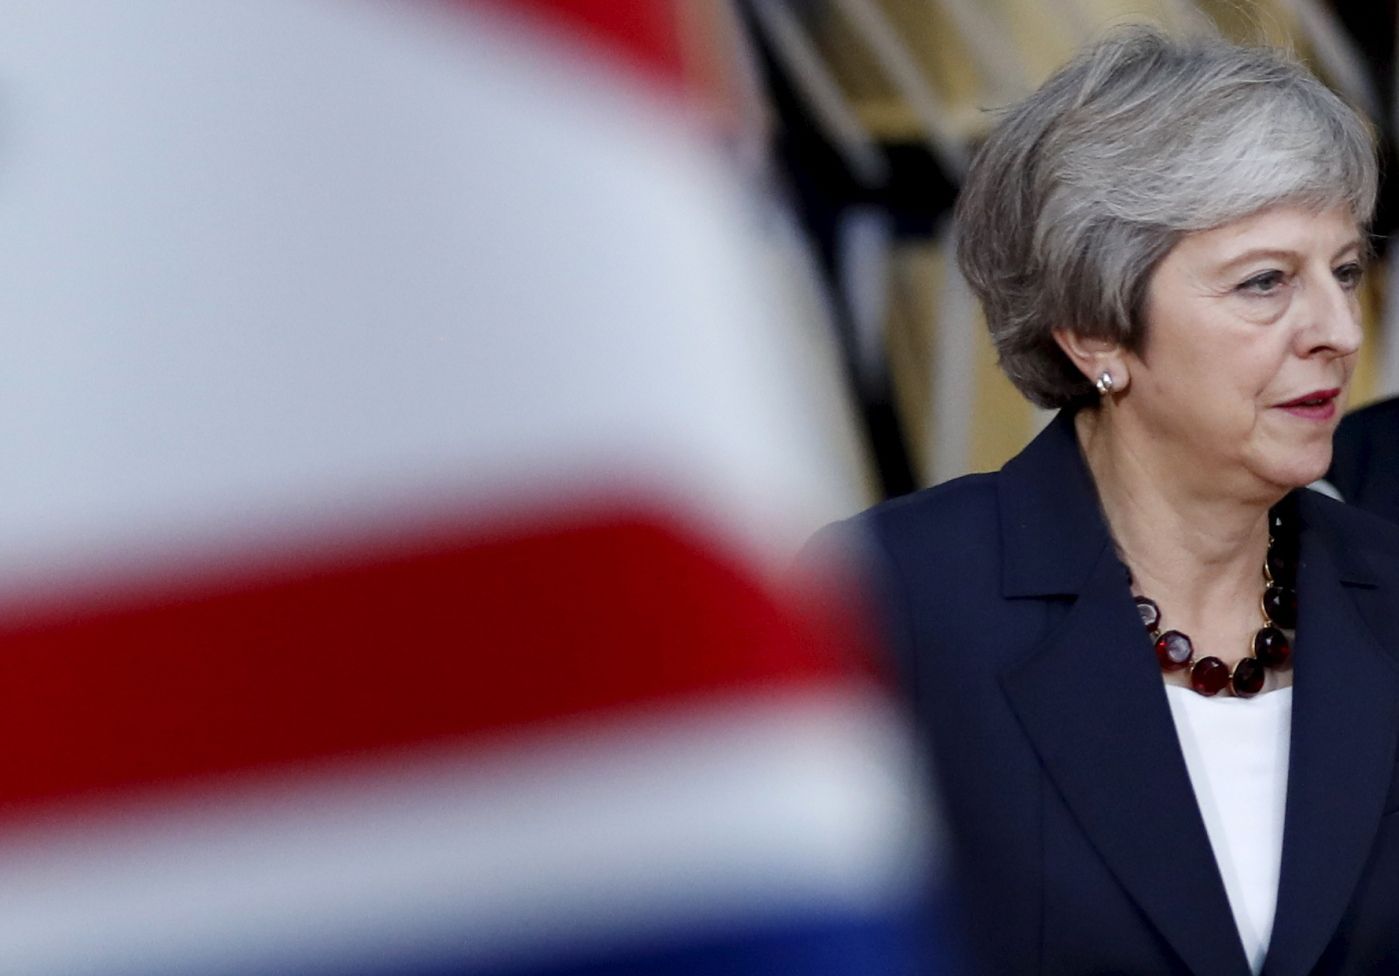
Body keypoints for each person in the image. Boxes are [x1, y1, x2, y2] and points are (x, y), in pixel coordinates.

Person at [829, 26, 1399, 975]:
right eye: (1265, 283)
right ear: (1094, 328)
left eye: (1342, 272)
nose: (1337, 331)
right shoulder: (892, 600)